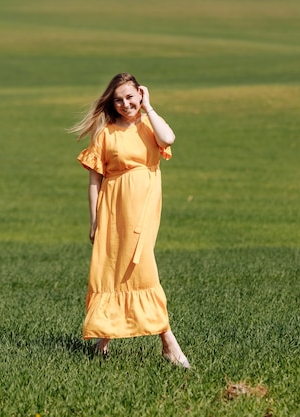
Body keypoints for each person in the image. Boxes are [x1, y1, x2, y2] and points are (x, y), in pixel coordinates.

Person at [69, 73, 189, 368]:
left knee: (140, 264)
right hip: (113, 206)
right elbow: (94, 182)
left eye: (130, 97)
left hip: (145, 204)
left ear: (140, 93)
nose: (125, 104)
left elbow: (169, 138)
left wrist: (148, 107)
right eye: (118, 100)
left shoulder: (150, 125)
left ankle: (167, 340)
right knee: (112, 267)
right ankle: (104, 342)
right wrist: (95, 221)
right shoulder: (105, 134)